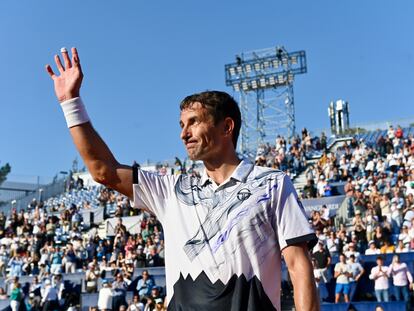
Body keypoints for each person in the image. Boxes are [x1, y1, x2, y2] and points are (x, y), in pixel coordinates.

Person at [46, 47, 318, 311]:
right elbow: (103, 170)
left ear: (226, 127)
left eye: (193, 122)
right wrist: (71, 103)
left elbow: (298, 266)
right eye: (181, 125)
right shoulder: (171, 190)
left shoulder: (272, 184)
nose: (183, 134)